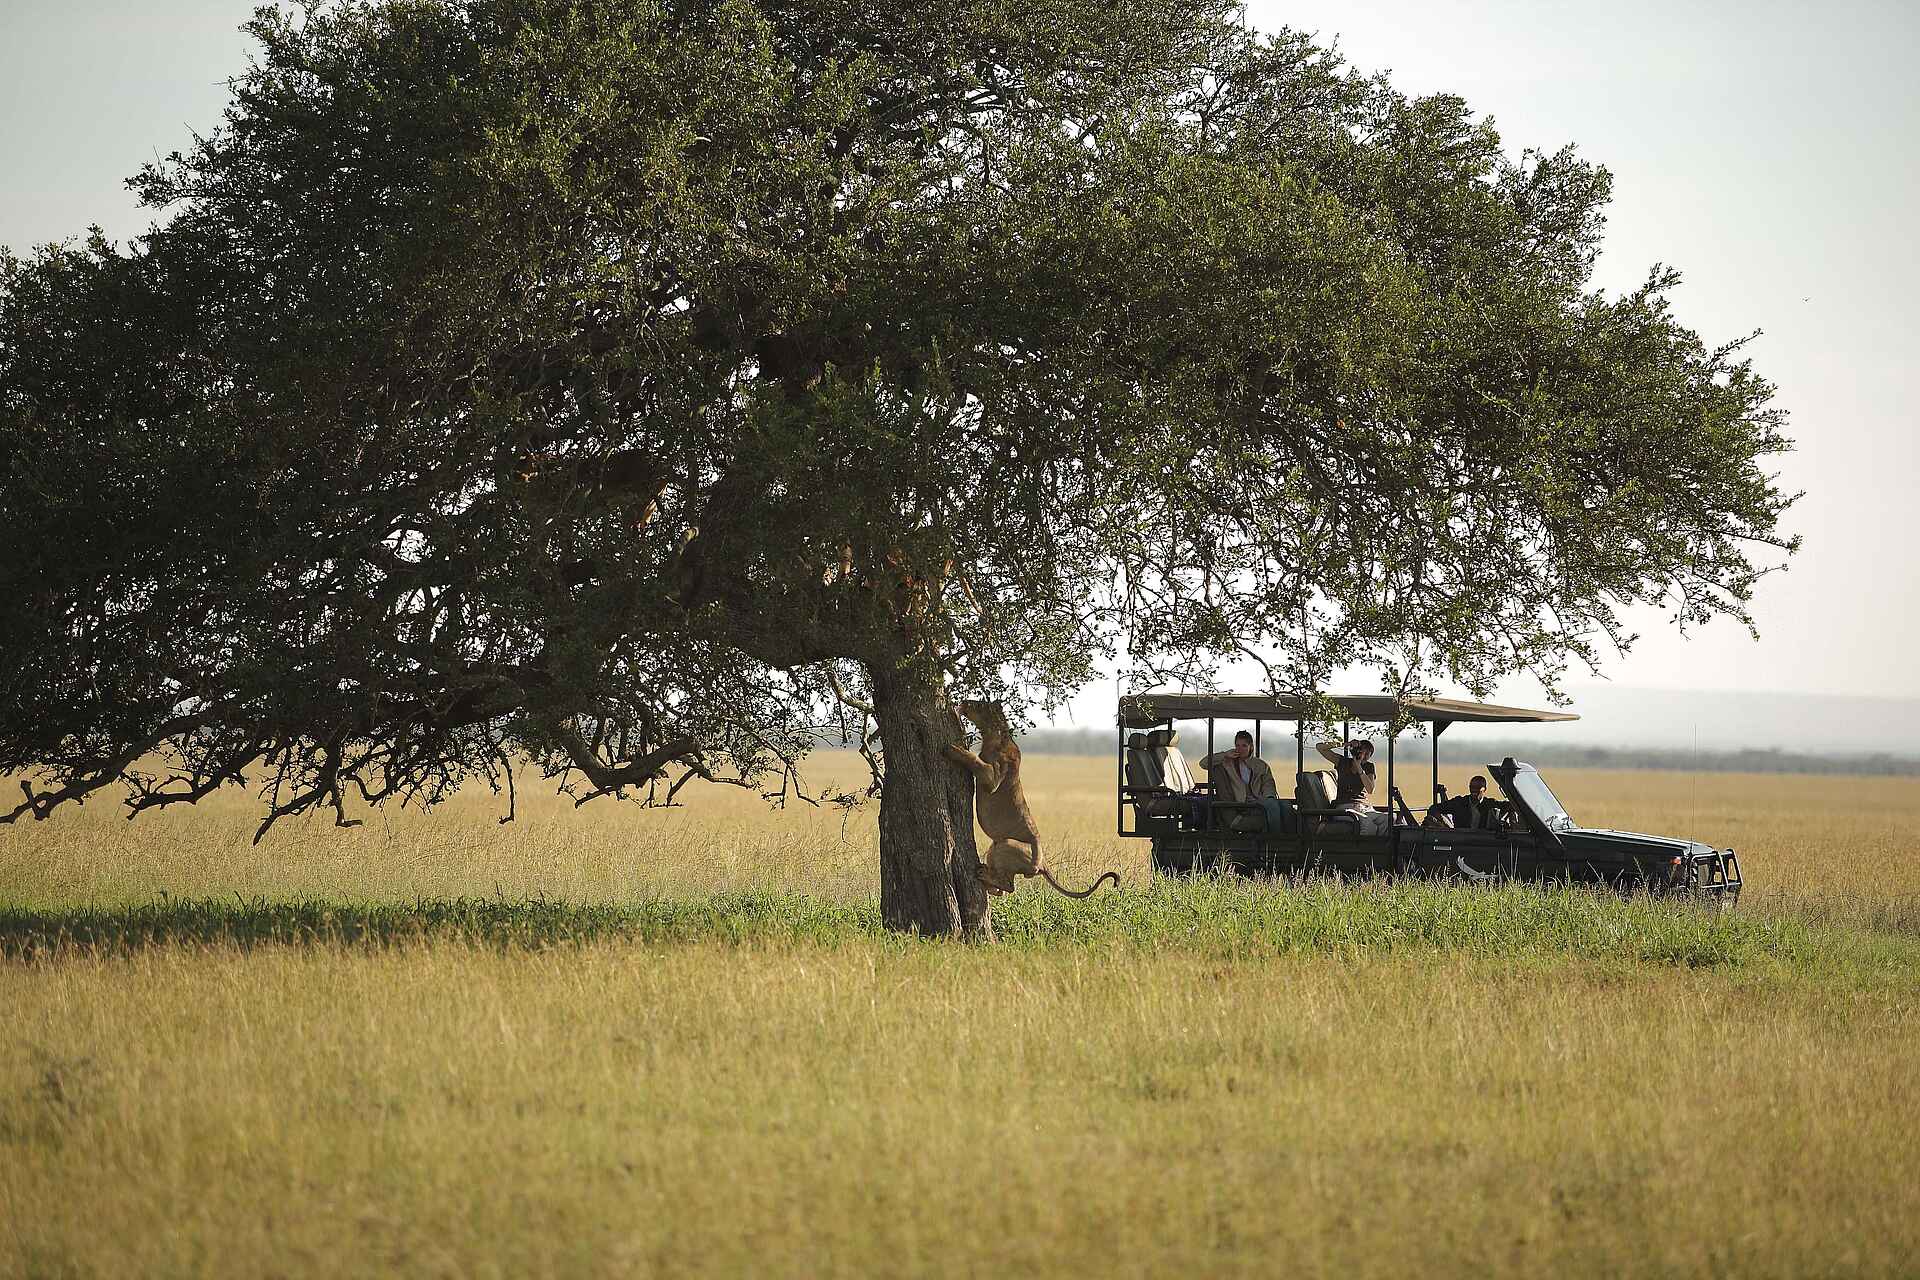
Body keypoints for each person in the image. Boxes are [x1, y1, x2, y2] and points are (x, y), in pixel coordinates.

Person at [1200, 730, 1291, 830]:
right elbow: (1203, 763)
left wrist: (1268, 797)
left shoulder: (1260, 765)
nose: (1240, 749)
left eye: (1244, 746)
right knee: (1272, 806)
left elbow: (1268, 784)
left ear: (1251, 747)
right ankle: (1274, 838)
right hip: (1241, 802)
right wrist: (1225, 754)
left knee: (1286, 805)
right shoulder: (1228, 763)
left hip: (1259, 800)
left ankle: (1288, 837)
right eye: (1237, 745)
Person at [1316, 738, 1389, 836]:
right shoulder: (1343, 762)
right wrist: (1344, 744)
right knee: (1368, 825)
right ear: (1357, 751)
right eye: (1363, 752)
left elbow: (1370, 789)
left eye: (1368, 754)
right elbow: (1320, 747)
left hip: (1364, 808)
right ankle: (1361, 849)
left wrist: (1359, 767)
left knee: (1387, 819)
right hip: (1345, 807)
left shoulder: (1369, 766)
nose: (1365, 756)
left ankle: (1381, 849)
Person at [1431, 775, 1507, 830]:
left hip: (1483, 842)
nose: (1474, 790)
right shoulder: (1459, 802)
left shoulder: (1490, 804)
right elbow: (1434, 808)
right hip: (1461, 840)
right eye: (1472, 787)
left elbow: (1510, 806)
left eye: (1478, 788)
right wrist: (1441, 822)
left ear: (1485, 789)